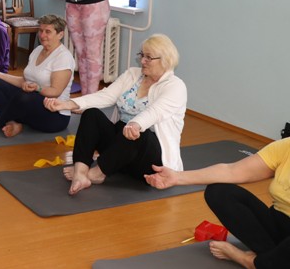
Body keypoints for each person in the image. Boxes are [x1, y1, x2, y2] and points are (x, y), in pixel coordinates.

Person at [44, 34, 186, 195]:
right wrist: (67, 104)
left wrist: (135, 124)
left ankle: (96, 174)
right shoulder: (133, 75)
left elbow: (154, 112)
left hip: (149, 162)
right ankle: (80, 171)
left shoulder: (175, 86)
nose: (142, 61)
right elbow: (106, 96)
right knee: (92, 115)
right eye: (142, 55)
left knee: (138, 133)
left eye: (149, 57)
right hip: (119, 153)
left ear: (165, 60)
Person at [145, 138, 290, 269]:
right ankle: (273, 257)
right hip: (279, 223)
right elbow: (232, 171)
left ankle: (250, 261)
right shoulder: (286, 147)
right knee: (219, 192)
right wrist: (177, 177)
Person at [0, 14, 74, 137]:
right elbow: (24, 81)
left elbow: (55, 92)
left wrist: (37, 88)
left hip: (54, 117)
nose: (42, 35)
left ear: (60, 34)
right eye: (41, 31)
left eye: (48, 32)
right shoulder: (38, 50)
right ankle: (12, 122)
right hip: (31, 105)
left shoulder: (63, 57)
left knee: (25, 96)